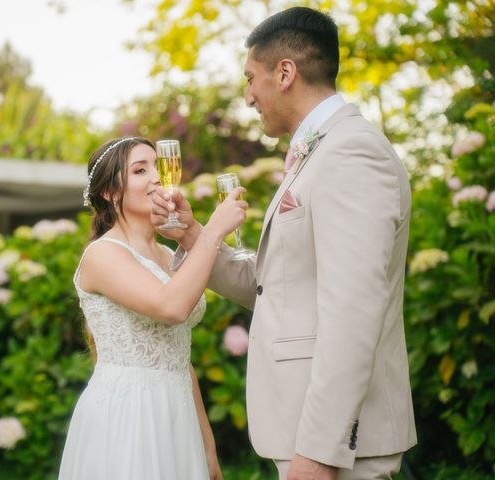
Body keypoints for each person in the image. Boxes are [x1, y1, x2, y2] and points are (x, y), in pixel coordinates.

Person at [151, 7, 417, 480]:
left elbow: (353, 311)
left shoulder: (350, 153)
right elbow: (271, 283)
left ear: (286, 72)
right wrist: (196, 237)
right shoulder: (316, 152)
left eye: (251, 78)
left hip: (334, 448)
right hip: (302, 432)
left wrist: (318, 452)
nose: (248, 95)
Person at [58, 136, 247, 480]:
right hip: (128, 415)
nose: (158, 177)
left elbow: (178, 357)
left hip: (177, 414)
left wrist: (207, 446)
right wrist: (215, 228)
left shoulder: (166, 255)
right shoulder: (103, 255)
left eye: (157, 167)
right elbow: (171, 307)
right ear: (109, 193)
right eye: (140, 170)